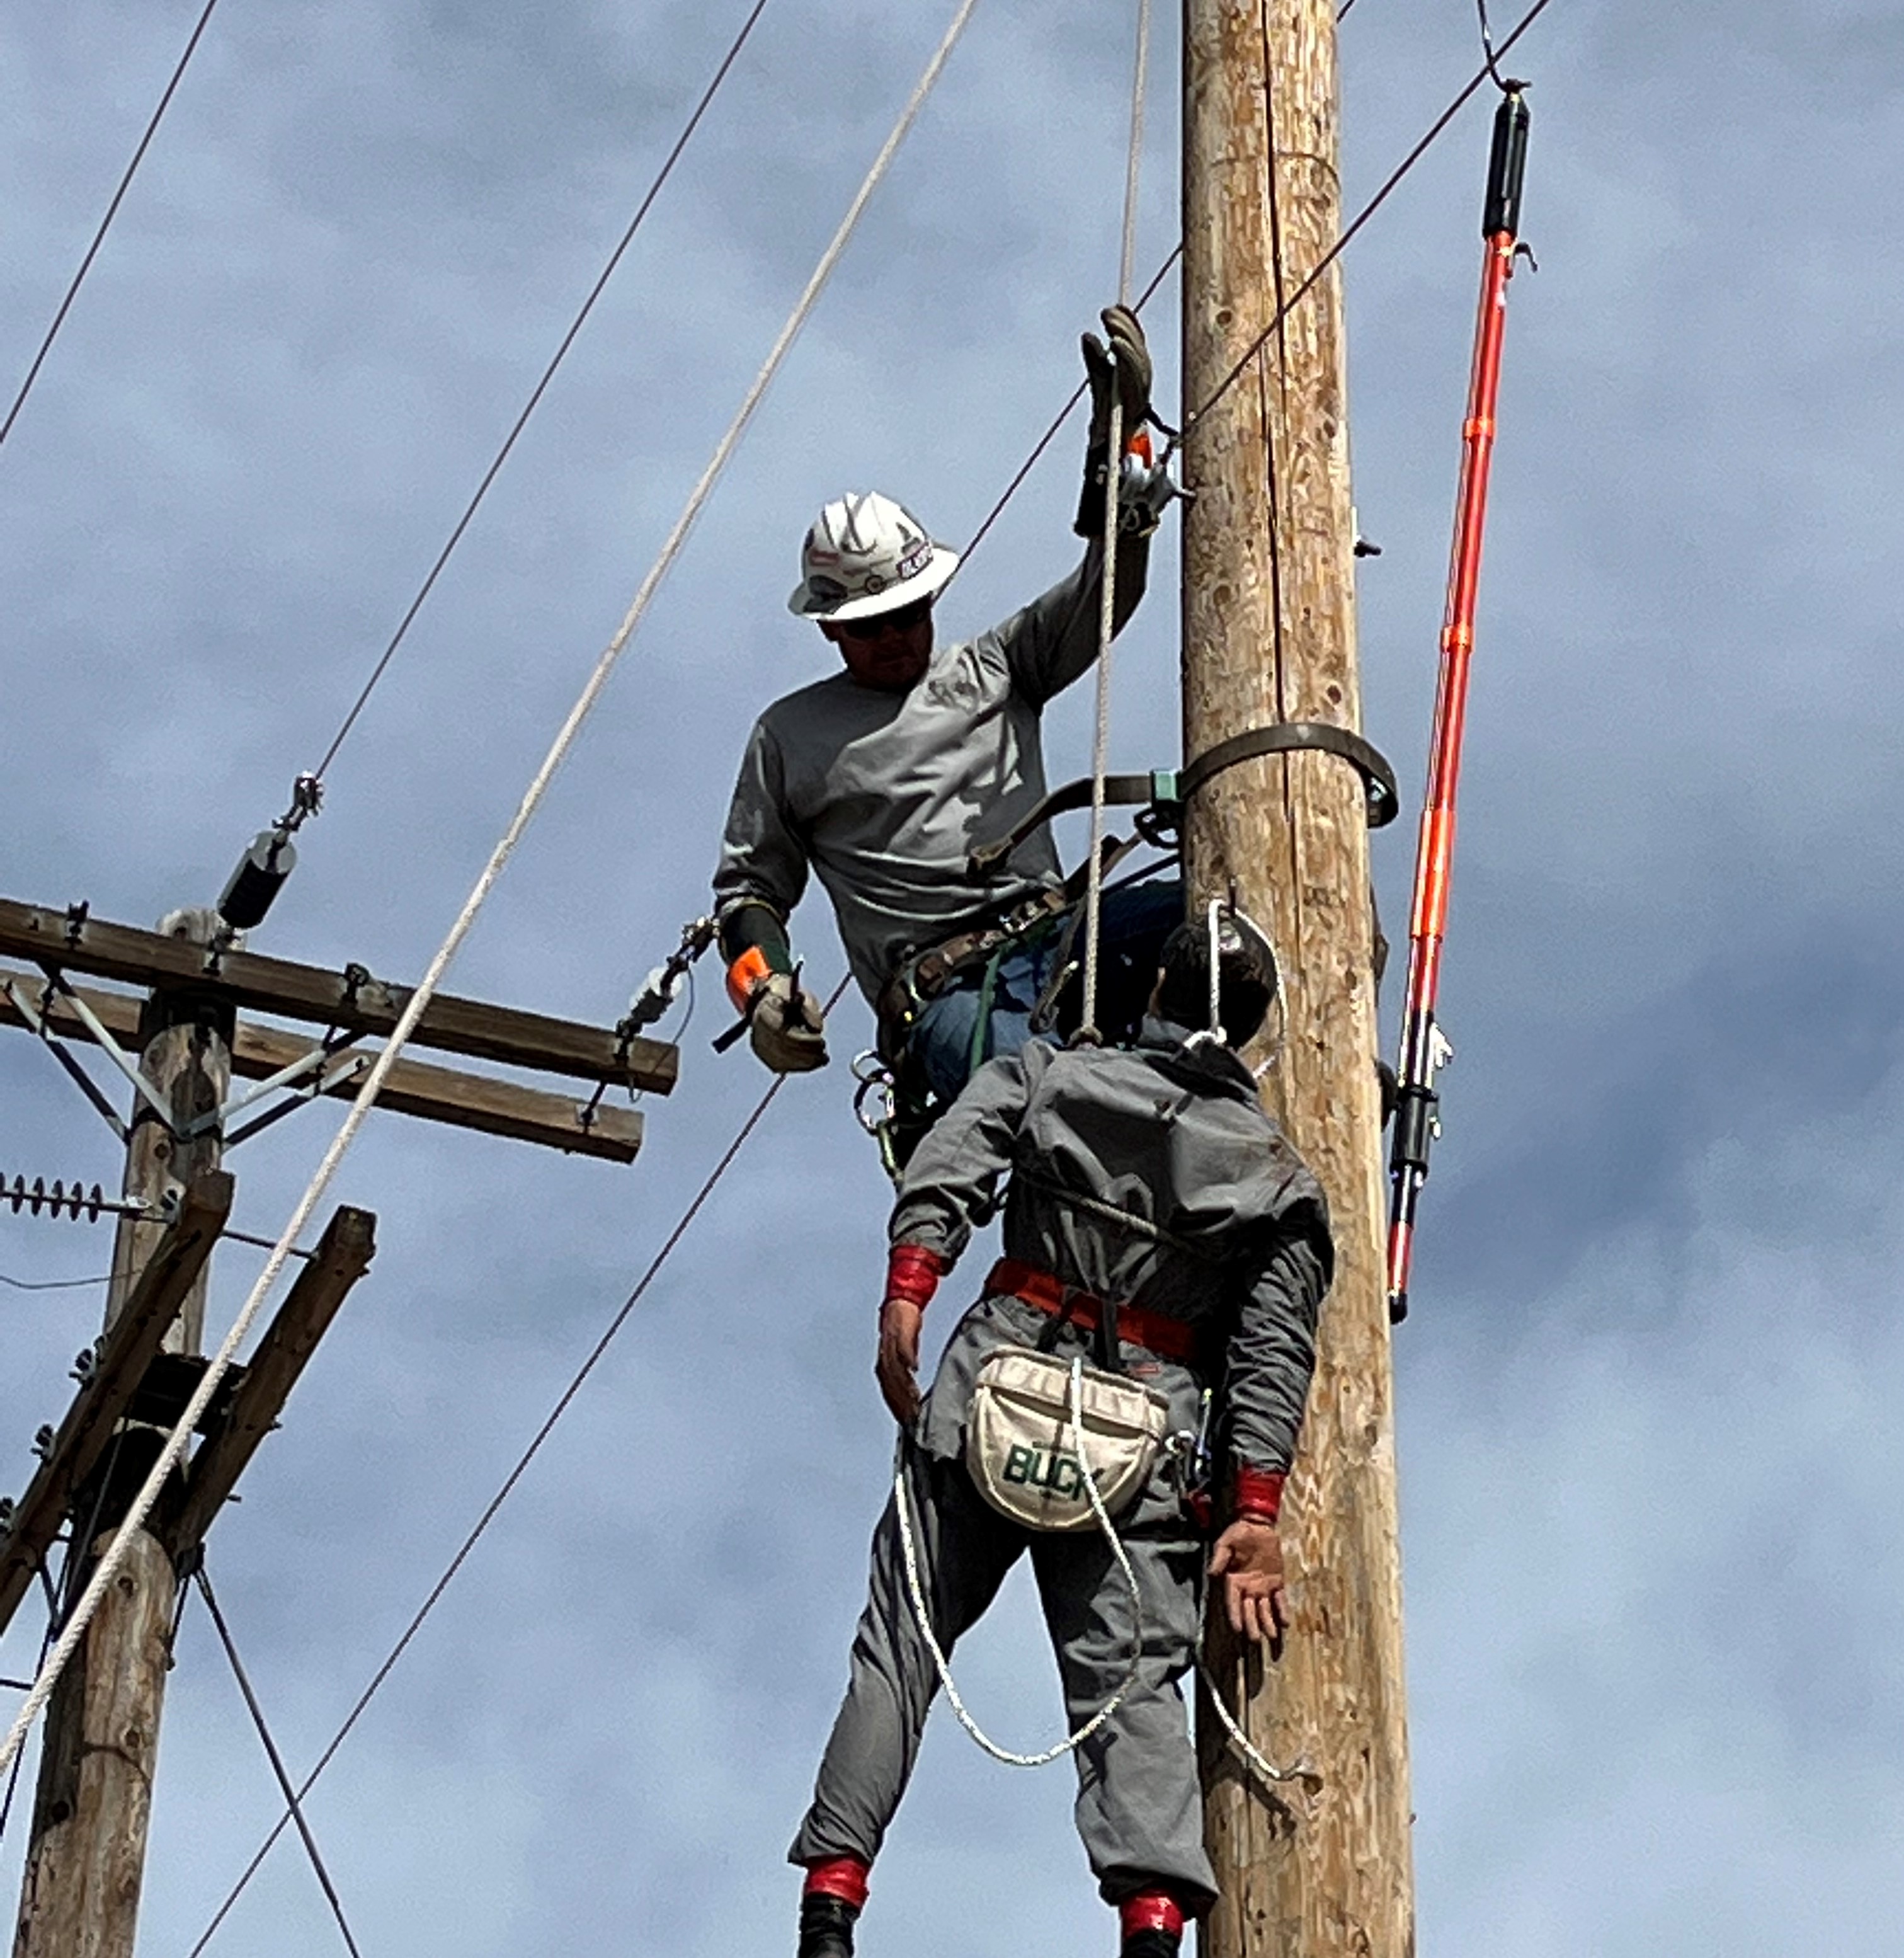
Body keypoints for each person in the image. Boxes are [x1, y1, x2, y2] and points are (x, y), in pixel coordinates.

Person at [786, 909, 1334, 1958]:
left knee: (902, 1646)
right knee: (1132, 1689)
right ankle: (1152, 1929)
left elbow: (953, 1158)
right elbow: (1272, 1357)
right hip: (1142, 1443)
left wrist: (912, 1283)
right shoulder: (1280, 1186)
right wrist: (1254, 1510)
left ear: (1156, 998)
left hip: (994, 1382)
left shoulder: (1046, 1075)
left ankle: (831, 1910)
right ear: (1259, 1033)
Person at [710, 306, 1181, 1154]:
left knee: (1234, 939)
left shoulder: (997, 666)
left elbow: (1110, 582)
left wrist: (1124, 444)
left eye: (908, 612)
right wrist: (764, 991)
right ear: (828, 627)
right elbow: (749, 892)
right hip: (953, 997)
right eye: (870, 624)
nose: (894, 637)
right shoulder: (791, 738)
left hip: (1068, 936)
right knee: (1061, 1114)